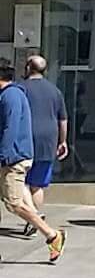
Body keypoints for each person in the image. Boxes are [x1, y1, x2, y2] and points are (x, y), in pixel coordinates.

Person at [0, 59, 65, 261]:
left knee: (15, 203)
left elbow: (9, 128)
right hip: (23, 153)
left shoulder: (11, 96)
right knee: (26, 193)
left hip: (13, 158)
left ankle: (52, 234)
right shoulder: (16, 93)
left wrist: (3, 156)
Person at [21, 55, 68, 232]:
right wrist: (62, 141)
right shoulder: (55, 91)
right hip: (48, 140)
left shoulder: (20, 88)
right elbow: (63, 119)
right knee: (37, 184)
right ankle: (34, 218)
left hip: (25, 139)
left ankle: (33, 215)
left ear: (27, 68)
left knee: (20, 182)